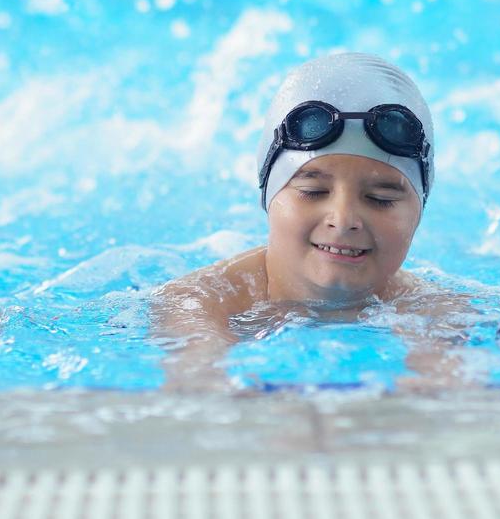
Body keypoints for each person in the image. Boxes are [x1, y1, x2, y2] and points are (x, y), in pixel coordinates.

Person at [152, 52, 472, 390]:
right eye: (313, 191)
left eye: (381, 199)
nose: (343, 219)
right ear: (269, 195)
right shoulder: (201, 302)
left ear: (419, 211)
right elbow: (198, 390)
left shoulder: (435, 313)